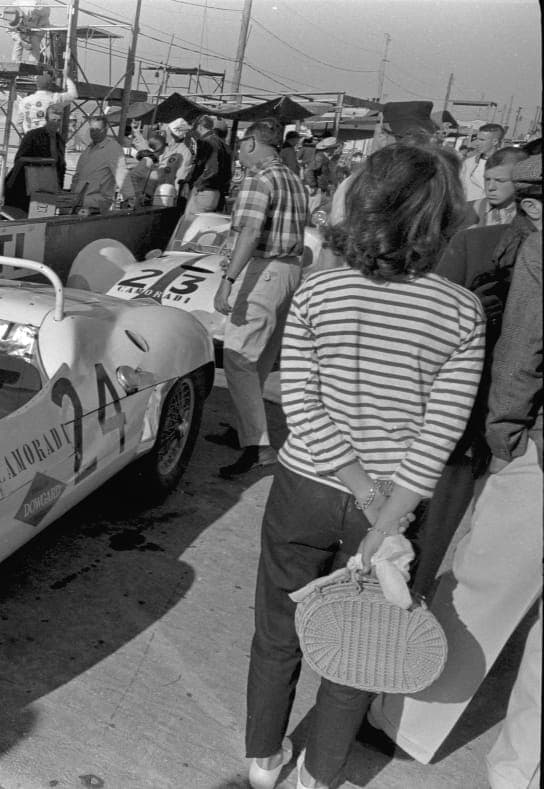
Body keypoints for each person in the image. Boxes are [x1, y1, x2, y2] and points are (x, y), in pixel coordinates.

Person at [245, 141, 485, 789]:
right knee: (360, 640)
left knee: (276, 626)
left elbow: (299, 401)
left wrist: (356, 483)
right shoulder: (461, 312)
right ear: (441, 221)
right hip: (392, 504)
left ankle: (264, 758)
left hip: (305, 486)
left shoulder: (320, 294)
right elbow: (441, 431)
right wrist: (386, 509)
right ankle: (319, 774)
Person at [365, 157, 540, 789]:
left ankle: (403, 719)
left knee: (474, 583)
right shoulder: (490, 242)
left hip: (513, 441)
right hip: (512, 434)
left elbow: (518, 352)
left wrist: (506, 436)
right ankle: (520, 769)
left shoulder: (503, 246)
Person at [214, 118, 308, 478]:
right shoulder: (292, 178)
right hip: (290, 270)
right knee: (261, 358)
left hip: (265, 269)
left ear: (252, 143)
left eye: (241, 144)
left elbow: (251, 231)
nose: (238, 151)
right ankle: (245, 431)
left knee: (238, 357)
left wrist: (228, 280)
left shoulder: (260, 179)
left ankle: (257, 446)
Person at [4, 103, 65, 213]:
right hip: (25, 188)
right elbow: (19, 159)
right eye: (53, 120)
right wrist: (42, 163)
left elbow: (61, 166)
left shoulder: (59, 140)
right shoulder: (32, 135)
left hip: (47, 189)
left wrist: (59, 187)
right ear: (46, 119)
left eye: (58, 120)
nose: (55, 123)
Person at [70, 114, 125, 213]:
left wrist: (130, 198)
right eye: (92, 130)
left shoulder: (112, 148)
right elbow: (77, 176)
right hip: (80, 204)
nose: (94, 133)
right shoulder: (88, 150)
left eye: (97, 129)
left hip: (97, 206)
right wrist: (72, 195)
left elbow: (122, 175)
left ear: (105, 130)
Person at [185, 114, 232, 215]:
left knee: (190, 222)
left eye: (196, 129)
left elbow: (211, 169)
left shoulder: (206, 141)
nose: (196, 133)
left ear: (200, 127)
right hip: (217, 193)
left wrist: (197, 185)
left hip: (204, 191)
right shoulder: (223, 144)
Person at [470, 145, 528, 227]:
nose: (490, 187)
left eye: (500, 181)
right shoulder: (470, 210)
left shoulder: (531, 214)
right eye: (487, 179)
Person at [13, 71, 78, 133]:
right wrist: (66, 77)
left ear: (37, 85)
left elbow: (18, 122)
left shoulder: (25, 101)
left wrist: (23, 133)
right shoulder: (55, 98)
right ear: (50, 85)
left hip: (30, 138)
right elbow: (73, 94)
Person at [461, 123, 506, 202]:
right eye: (477, 139)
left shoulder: (506, 165)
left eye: (482, 140)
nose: (477, 143)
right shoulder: (468, 163)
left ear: (495, 141)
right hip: (468, 209)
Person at [160, 117, 195, 204]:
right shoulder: (166, 148)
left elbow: (181, 178)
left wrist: (174, 197)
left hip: (168, 196)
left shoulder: (185, 153)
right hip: (158, 192)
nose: (164, 134)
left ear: (173, 134)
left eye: (166, 132)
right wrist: (137, 133)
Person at [4, 0, 50, 64]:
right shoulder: (9, 14)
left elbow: (46, 11)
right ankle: (15, 64)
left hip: (40, 24)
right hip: (24, 25)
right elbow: (10, 31)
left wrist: (34, 28)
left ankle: (33, 65)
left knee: (34, 41)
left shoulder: (35, 8)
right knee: (18, 41)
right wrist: (21, 41)